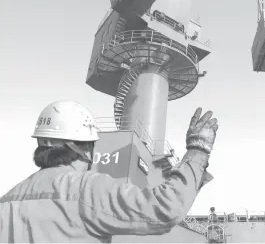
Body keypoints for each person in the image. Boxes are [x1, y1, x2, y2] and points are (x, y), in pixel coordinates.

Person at [0, 101, 218, 243]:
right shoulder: (85, 189)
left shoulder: (7, 200)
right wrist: (198, 151)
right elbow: (165, 208)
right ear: (84, 148)